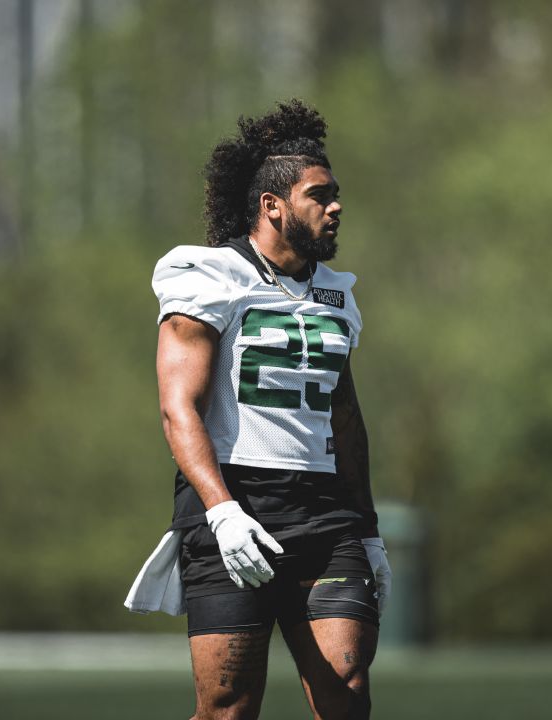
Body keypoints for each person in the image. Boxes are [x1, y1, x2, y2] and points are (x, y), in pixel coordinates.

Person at [124, 99, 391, 720]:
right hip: (235, 502)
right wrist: (222, 514)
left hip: (324, 513)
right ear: (272, 205)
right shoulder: (208, 275)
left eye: (336, 194)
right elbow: (178, 407)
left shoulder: (335, 295)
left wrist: (369, 526)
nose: (336, 207)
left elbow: (345, 418)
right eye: (319, 195)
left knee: (348, 692)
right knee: (228, 707)